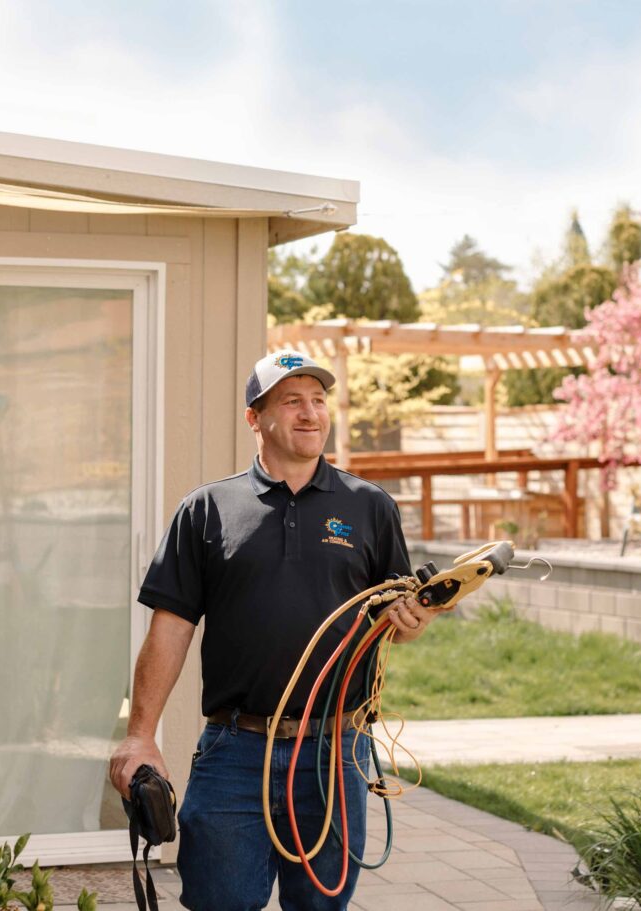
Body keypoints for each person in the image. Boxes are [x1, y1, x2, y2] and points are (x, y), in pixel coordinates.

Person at [109, 349, 436, 910]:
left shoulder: (370, 506)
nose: (310, 414)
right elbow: (171, 629)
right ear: (254, 417)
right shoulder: (207, 510)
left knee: (319, 906)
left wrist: (412, 622)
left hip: (335, 752)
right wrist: (141, 734)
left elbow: (395, 626)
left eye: (318, 400)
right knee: (220, 901)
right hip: (235, 750)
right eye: (291, 402)